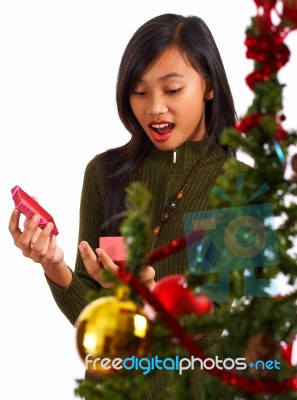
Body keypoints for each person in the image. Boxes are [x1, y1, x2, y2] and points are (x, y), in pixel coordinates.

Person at [9, 13, 237, 399]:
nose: (154, 109)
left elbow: (224, 324)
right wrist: (54, 266)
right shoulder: (104, 173)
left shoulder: (241, 186)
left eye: (172, 89)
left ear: (209, 87)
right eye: (139, 91)